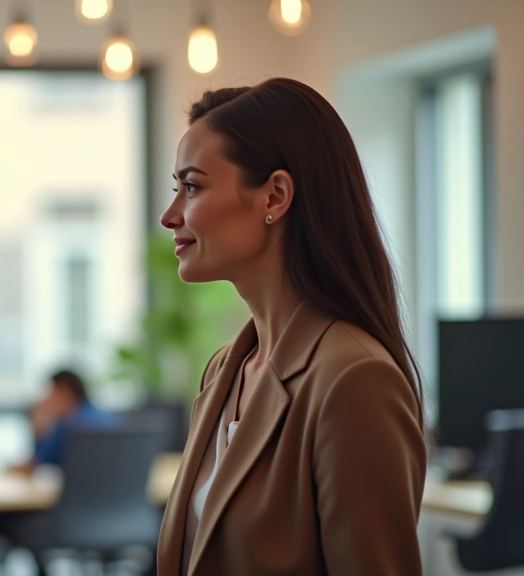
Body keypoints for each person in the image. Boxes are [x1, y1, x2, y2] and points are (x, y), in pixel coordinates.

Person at [156, 78, 427, 576]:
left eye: (191, 187)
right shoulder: (223, 371)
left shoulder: (354, 379)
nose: (169, 215)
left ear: (274, 196)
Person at [13, 370, 116, 474]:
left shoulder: (67, 424)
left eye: (51, 392)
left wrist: (39, 427)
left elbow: (34, 463)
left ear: (64, 391)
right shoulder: (108, 420)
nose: (47, 398)